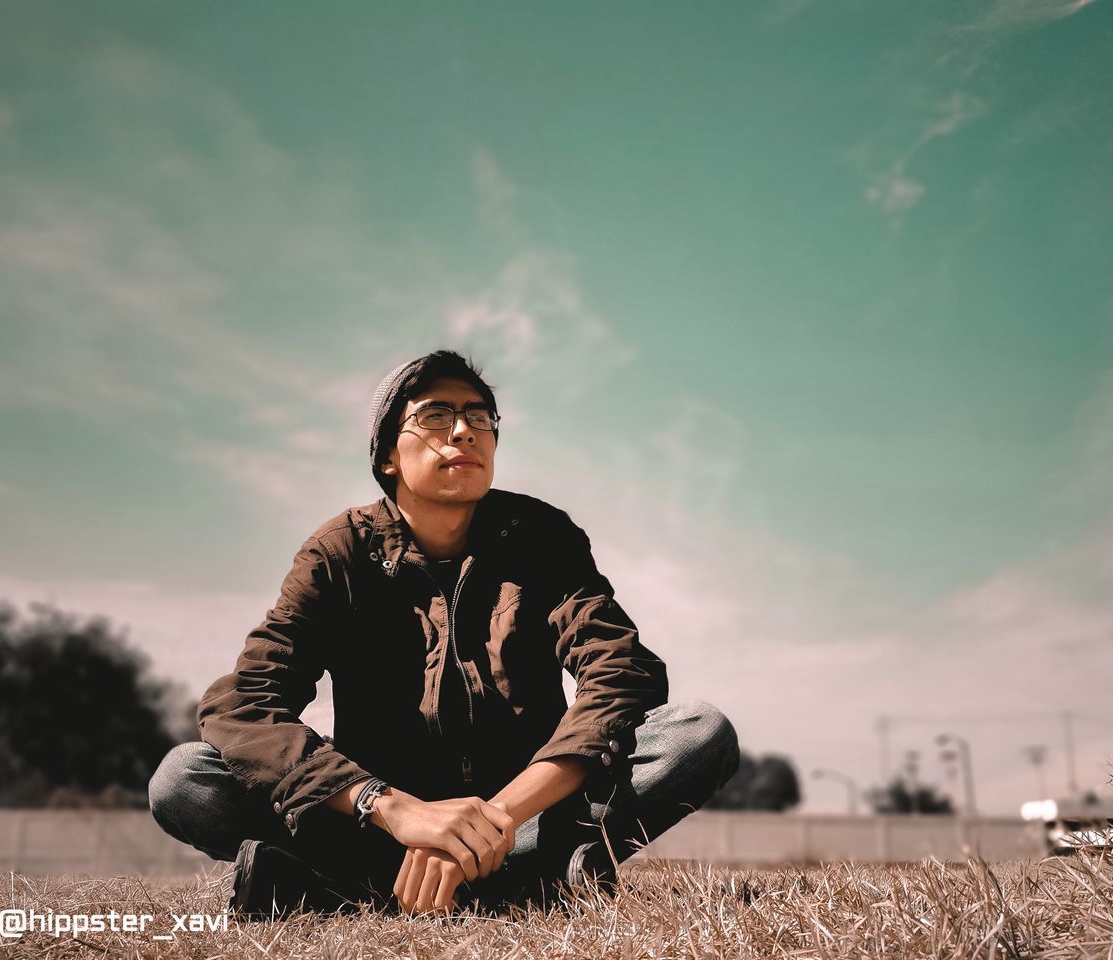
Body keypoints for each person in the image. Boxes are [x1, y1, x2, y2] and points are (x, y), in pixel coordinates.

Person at [148, 350, 739, 917]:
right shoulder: (340, 553)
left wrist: (495, 819)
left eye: (479, 417)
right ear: (387, 457)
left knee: (697, 732)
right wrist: (393, 809)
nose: (464, 432)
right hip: (379, 827)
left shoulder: (539, 537)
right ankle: (519, 882)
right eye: (435, 415)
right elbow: (246, 705)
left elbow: (619, 674)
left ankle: (383, 883)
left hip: (524, 817)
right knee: (186, 777)